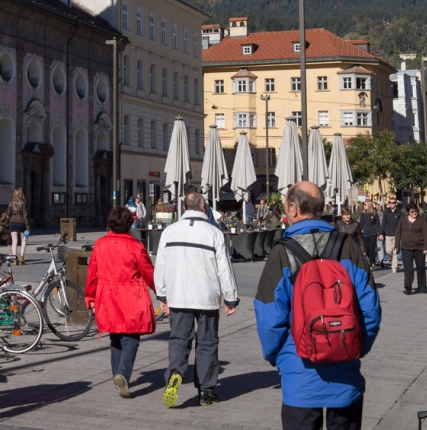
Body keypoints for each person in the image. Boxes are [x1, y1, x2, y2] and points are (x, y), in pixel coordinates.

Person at [257, 181, 380, 429]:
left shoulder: (281, 253)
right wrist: (356, 346)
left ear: (293, 209)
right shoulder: (348, 246)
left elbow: (269, 316)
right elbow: (371, 309)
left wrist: (277, 356)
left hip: (298, 371)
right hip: (346, 367)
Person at [154, 190, 238, 407]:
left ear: (183, 209)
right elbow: (225, 269)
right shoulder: (213, 233)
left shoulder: (169, 232)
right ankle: (206, 391)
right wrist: (231, 298)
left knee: (179, 339)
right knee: (207, 343)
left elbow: (160, 266)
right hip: (207, 297)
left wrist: (162, 295)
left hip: (178, 295)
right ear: (204, 208)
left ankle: (175, 373)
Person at [86, 206, 157, 398]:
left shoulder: (100, 244)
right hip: (130, 296)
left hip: (107, 296)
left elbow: (92, 273)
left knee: (116, 337)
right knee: (131, 337)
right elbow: (148, 272)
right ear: (129, 223)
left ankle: (118, 374)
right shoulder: (135, 246)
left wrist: (90, 296)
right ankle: (122, 374)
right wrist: (161, 291)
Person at [396, 204, 427, 295]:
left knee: (420, 268)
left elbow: (426, 234)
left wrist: (426, 247)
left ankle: (422, 287)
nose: (414, 213)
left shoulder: (421, 220)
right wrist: (396, 245)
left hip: (419, 248)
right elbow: (398, 232)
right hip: (406, 248)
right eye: (412, 212)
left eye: (416, 211)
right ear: (408, 212)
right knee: (408, 269)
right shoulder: (403, 220)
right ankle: (408, 287)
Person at [6, 188, 29, 265]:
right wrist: (27, 226)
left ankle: (15, 259)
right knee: (24, 239)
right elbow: (25, 215)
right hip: (21, 223)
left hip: (13, 223)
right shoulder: (23, 202)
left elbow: (8, 214)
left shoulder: (10, 202)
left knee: (14, 241)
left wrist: (7, 222)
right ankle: (22, 257)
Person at [380, 198, 401, 272]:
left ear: (396, 203)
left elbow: (401, 224)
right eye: (390, 202)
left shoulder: (399, 212)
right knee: (388, 251)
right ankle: (394, 261)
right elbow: (383, 224)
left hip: (396, 234)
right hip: (388, 234)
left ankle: (394, 267)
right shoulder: (386, 212)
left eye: (393, 202)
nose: (391, 204)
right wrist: (381, 233)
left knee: (395, 251)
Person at [358, 203, 382, 269]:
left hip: (373, 234)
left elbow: (378, 224)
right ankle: (373, 259)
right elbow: (361, 223)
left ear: (369, 205)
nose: (364, 206)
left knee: (371, 248)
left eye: (365, 205)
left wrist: (379, 233)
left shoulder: (374, 214)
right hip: (365, 233)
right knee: (366, 249)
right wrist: (362, 230)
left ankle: (371, 264)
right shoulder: (363, 214)